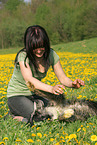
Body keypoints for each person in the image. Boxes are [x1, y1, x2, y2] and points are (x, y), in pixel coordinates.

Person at [7, 25, 85, 126]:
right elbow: (29, 80)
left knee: (55, 111)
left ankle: (24, 112)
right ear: (29, 46)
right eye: (35, 47)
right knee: (41, 118)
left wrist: (73, 84)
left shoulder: (51, 55)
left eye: (42, 46)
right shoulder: (23, 56)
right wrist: (51, 88)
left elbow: (63, 78)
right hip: (17, 96)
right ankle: (13, 116)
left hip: (35, 95)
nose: (39, 51)